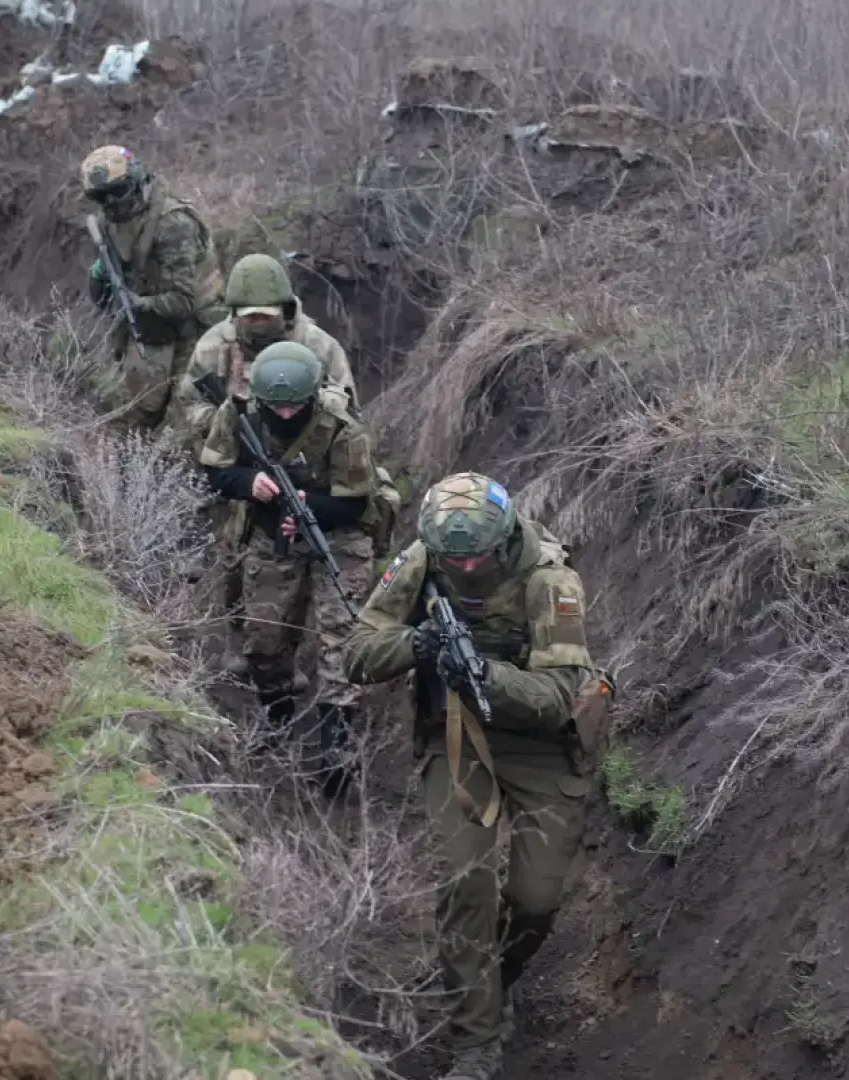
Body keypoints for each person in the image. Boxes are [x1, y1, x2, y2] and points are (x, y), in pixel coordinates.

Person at [345, 473, 614, 1080]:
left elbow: (556, 695)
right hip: (457, 735)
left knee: (535, 902)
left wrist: (485, 675)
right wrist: (420, 645)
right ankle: (476, 1043)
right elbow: (358, 652)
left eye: (474, 556)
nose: (462, 566)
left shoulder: (549, 578)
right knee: (466, 881)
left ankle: (488, 979)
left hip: (541, 743)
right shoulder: (426, 556)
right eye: (452, 557)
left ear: (501, 541)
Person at [198, 340, 384, 791]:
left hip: (337, 536)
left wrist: (308, 504)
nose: (284, 416)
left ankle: (337, 749)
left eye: (294, 407)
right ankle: (277, 720)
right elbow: (216, 469)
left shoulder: (343, 427)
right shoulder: (239, 412)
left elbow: (358, 504)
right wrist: (249, 481)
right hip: (270, 533)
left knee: (340, 637)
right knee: (264, 637)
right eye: (275, 408)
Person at [79, 144, 228, 433]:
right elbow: (102, 301)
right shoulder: (106, 225)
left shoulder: (173, 223)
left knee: (186, 423)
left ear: (136, 183)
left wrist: (138, 304)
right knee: (130, 416)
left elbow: (184, 301)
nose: (110, 203)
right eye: (101, 197)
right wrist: (99, 274)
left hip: (196, 327)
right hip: (151, 328)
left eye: (117, 191)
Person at [172, 252, 359, 455]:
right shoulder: (213, 346)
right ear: (235, 313)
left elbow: (349, 415)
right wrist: (220, 421)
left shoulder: (319, 345)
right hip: (233, 454)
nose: (259, 323)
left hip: (308, 453)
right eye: (251, 317)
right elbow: (188, 404)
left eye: (267, 316)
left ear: (284, 309)